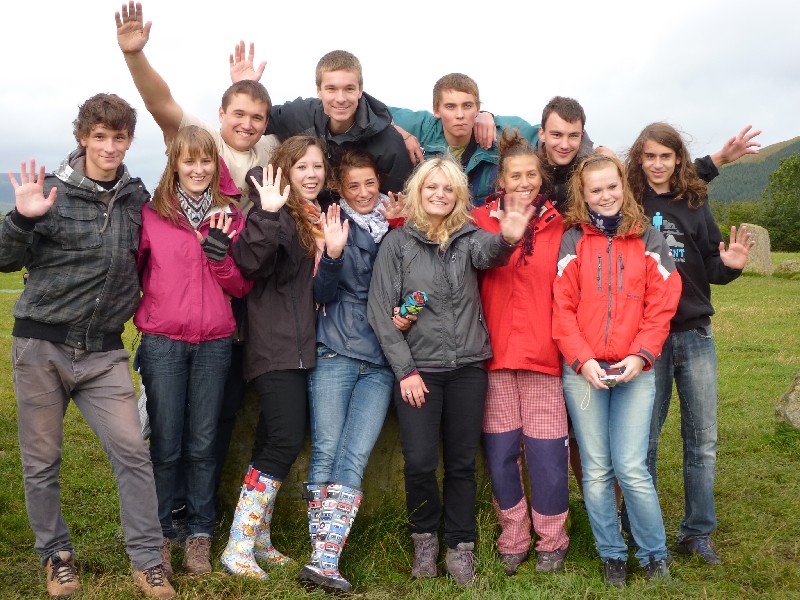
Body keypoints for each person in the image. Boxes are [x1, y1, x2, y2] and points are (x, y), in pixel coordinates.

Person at [0, 94, 175, 599]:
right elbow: (5, 260)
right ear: (83, 138)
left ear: (129, 141)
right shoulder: (50, 192)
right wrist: (21, 220)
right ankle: (56, 557)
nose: (109, 146)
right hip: (42, 346)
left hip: (103, 352)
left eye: (119, 137)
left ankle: (148, 561)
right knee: (41, 461)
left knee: (132, 452)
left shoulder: (138, 198)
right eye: (99, 136)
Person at [116, 1, 279, 502]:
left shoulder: (271, 149)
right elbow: (160, 103)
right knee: (169, 423)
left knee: (216, 416)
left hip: (233, 292)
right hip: (178, 308)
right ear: (220, 115)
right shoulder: (202, 142)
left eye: (257, 117)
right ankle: (167, 512)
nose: (247, 124)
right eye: (238, 114)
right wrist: (135, 56)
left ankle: (202, 511)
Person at [367, 156, 536, 586]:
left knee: (461, 463)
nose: (439, 195)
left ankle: (461, 546)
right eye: (432, 187)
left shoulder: (467, 237)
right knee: (420, 462)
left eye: (448, 188)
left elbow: (489, 253)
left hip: (467, 368)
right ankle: (424, 541)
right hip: (418, 371)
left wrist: (508, 239)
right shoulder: (398, 244)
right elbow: (381, 314)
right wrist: (405, 371)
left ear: (459, 196)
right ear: (418, 192)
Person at [625, 122, 755, 565]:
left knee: (701, 440)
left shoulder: (695, 202)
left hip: (695, 334)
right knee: (644, 440)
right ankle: (639, 528)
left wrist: (731, 265)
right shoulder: (629, 201)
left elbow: (712, 266)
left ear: (677, 158)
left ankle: (697, 533)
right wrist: (718, 158)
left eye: (666, 156)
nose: (657, 164)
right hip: (648, 339)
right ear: (639, 160)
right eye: (649, 156)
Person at [552, 154, 681, 588]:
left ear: (623, 186)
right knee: (596, 469)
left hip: (634, 370)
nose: (605, 196)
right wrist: (582, 359)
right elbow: (562, 309)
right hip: (584, 371)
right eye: (596, 190)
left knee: (631, 468)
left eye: (612, 186)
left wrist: (641, 356)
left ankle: (654, 553)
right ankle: (612, 554)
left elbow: (662, 305)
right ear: (583, 195)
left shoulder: (649, 238)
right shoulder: (573, 240)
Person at [135, 126, 252, 578]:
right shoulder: (153, 214)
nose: (198, 169)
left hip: (214, 342)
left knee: (203, 444)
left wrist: (220, 258)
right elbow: (134, 271)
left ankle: (200, 534)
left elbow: (241, 286)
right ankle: (162, 533)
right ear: (175, 166)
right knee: (165, 443)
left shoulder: (231, 216)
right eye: (189, 161)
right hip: (163, 341)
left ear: (215, 165)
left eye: (205, 161)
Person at [220, 136, 326, 579]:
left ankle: (258, 539)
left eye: (317, 166)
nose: (311, 174)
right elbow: (248, 263)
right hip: (275, 343)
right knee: (284, 438)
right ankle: (238, 545)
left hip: (298, 344)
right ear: (284, 171)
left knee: (271, 438)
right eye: (301, 167)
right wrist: (266, 212)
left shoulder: (312, 216)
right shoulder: (277, 213)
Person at [298, 150, 400, 594]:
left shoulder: (394, 227)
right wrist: (334, 254)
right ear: (339, 189)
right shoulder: (331, 223)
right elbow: (320, 291)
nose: (363, 193)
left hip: (381, 357)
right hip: (336, 347)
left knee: (354, 454)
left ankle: (323, 559)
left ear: (380, 183)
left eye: (370, 184)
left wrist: (398, 228)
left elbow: (408, 285)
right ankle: (323, 557)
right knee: (326, 449)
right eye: (353, 185)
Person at [471, 129, 569, 575]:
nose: (525, 182)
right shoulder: (479, 220)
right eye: (516, 175)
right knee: (501, 453)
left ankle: (552, 538)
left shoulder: (559, 226)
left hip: (543, 357)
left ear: (541, 177)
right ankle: (513, 534)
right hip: (493, 357)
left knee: (547, 455)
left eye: (532, 174)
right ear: (501, 180)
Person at [229, 43, 412, 205]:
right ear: (319, 90)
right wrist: (246, 88)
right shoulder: (300, 114)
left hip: (357, 222)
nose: (340, 99)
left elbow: (398, 204)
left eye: (349, 89)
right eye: (331, 89)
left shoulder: (389, 145)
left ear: (360, 90)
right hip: (303, 212)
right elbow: (256, 121)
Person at [389, 73, 539, 206]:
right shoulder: (422, 127)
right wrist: (402, 134)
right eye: (450, 106)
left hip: (482, 225)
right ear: (436, 110)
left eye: (467, 106)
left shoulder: (497, 131)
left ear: (477, 108)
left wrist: (488, 115)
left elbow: (545, 135)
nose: (460, 115)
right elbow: (376, 112)